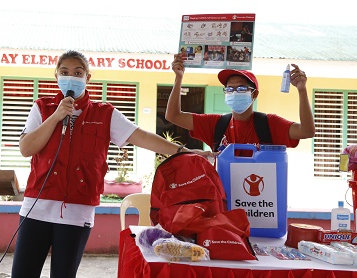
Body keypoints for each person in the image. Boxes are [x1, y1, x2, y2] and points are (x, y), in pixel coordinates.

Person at [11, 50, 212, 278]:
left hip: (77, 211)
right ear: (56, 75)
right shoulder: (42, 107)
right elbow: (26, 148)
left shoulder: (105, 113)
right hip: (36, 209)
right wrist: (56, 116)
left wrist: (184, 151)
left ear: (88, 78)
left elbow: (142, 137)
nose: (71, 77)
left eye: (78, 72)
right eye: (64, 72)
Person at [165, 54, 315, 155]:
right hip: (224, 196)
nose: (234, 92)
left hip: (260, 197)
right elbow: (173, 116)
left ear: (254, 94)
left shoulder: (269, 124)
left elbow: (307, 131)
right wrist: (179, 78)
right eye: (230, 89)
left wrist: (302, 90)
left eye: (241, 89)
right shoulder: (216, 124)